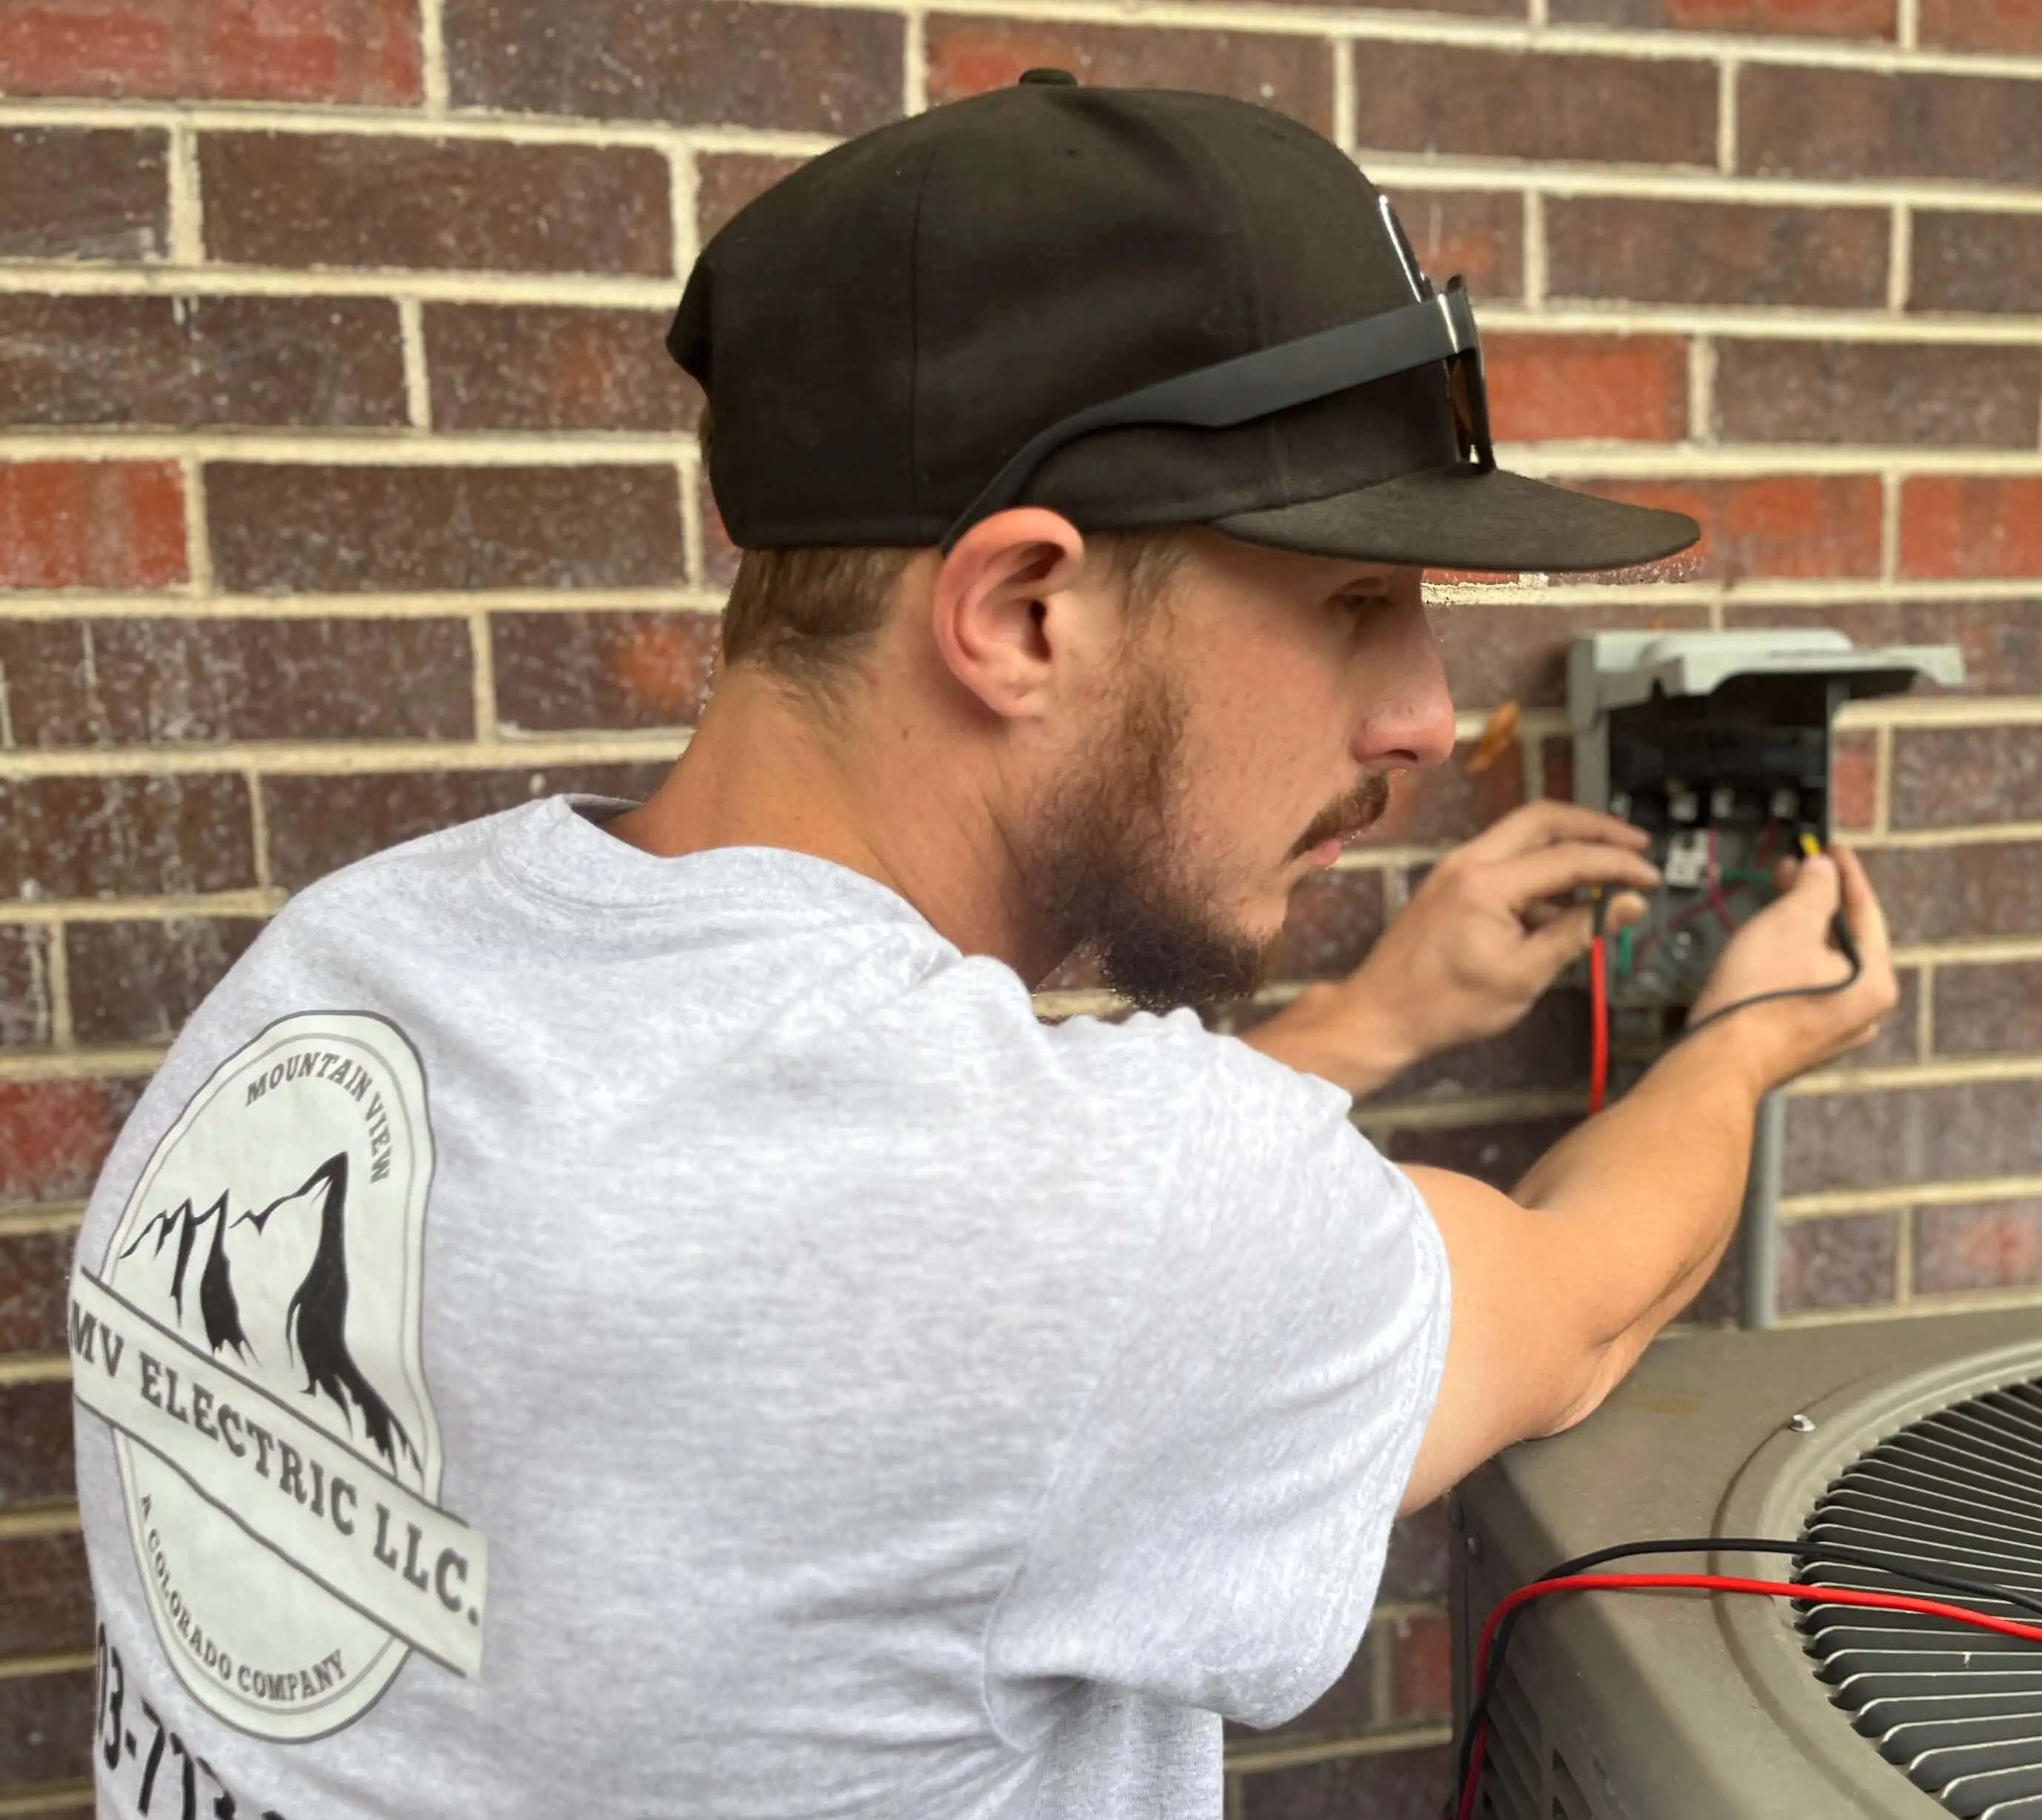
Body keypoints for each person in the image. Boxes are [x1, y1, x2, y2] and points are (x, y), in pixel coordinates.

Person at [64, 77, 1895, 1820]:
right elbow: (1572, 1309)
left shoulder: (352, 964)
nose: (1422, 711)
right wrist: (1741, 1040)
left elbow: (884, 1278)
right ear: (1021, 610)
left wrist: (1370, 1015)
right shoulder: (1108, 1220)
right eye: (1355, 601)